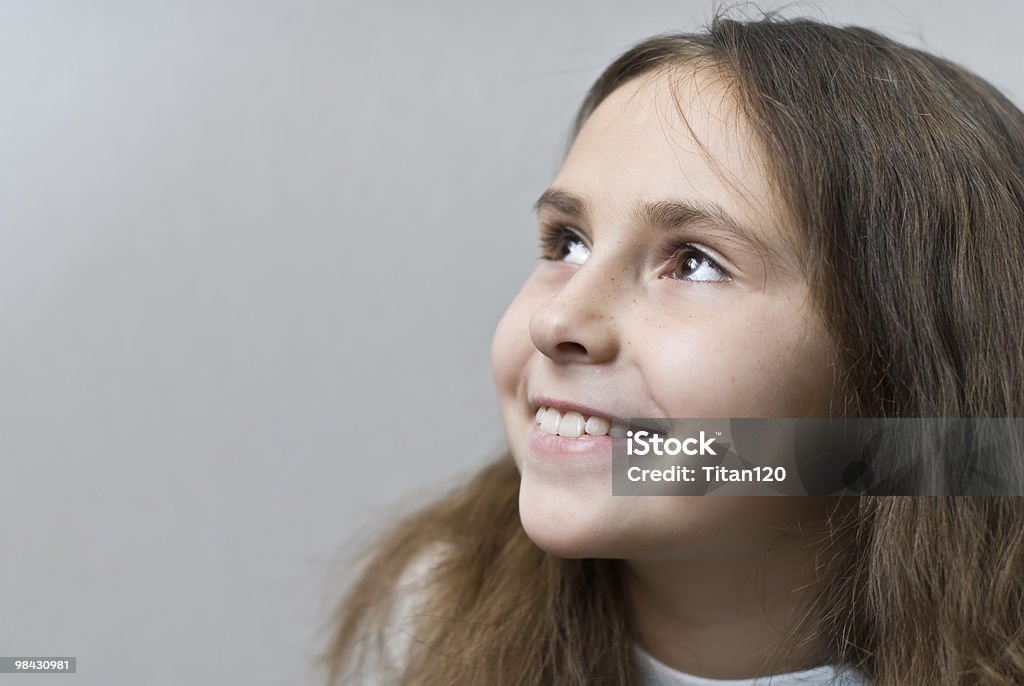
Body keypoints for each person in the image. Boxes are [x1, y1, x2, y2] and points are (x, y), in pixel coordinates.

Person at [321, 11, 1024, 686]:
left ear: (902, 369)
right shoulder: (435, 608)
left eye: (693, 262)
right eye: (568, 242)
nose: (556, 320)